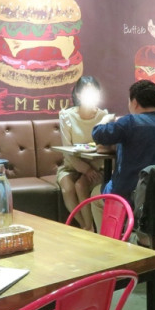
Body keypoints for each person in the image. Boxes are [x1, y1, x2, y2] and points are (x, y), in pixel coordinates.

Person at [91, 79, 155, 210]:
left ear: (135, 102)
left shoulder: (130, 122)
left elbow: (98, 134)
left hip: (128, 194)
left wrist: (104, 120)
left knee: (94, 194)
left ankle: (113, 224)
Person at [56, 76, 108, 231]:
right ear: (78, 95)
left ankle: (88, 228)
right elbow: (67, 151)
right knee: (67, 189)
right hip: (71, 166)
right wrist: (85, 169)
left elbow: (106, 147)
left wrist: (92, 169)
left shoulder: (103, 116)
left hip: (97, 166)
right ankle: (85, 226)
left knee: (80, 185)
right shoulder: (66, 116)